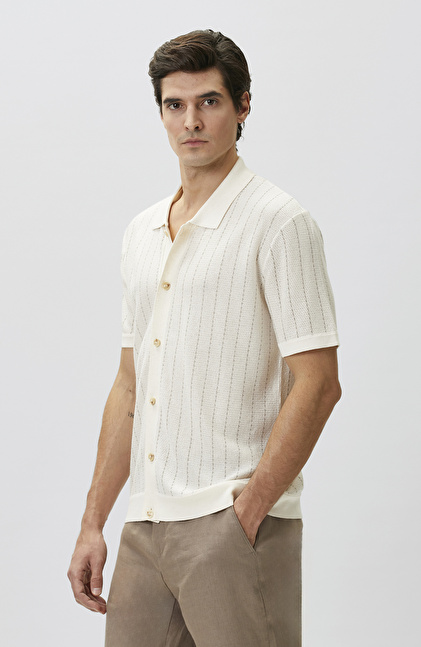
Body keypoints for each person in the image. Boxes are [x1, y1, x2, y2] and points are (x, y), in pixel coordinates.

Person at [68, 29, 341, 647]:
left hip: (233, 523)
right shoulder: (142, 232)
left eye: (209, 102)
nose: (190, 121)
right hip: (145, 526)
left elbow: (320, 383)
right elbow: (129, 385)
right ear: (161, 111)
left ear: (243, 106)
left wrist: (248, 510)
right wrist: (93, 522)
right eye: (175, 105)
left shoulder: (279, 222)